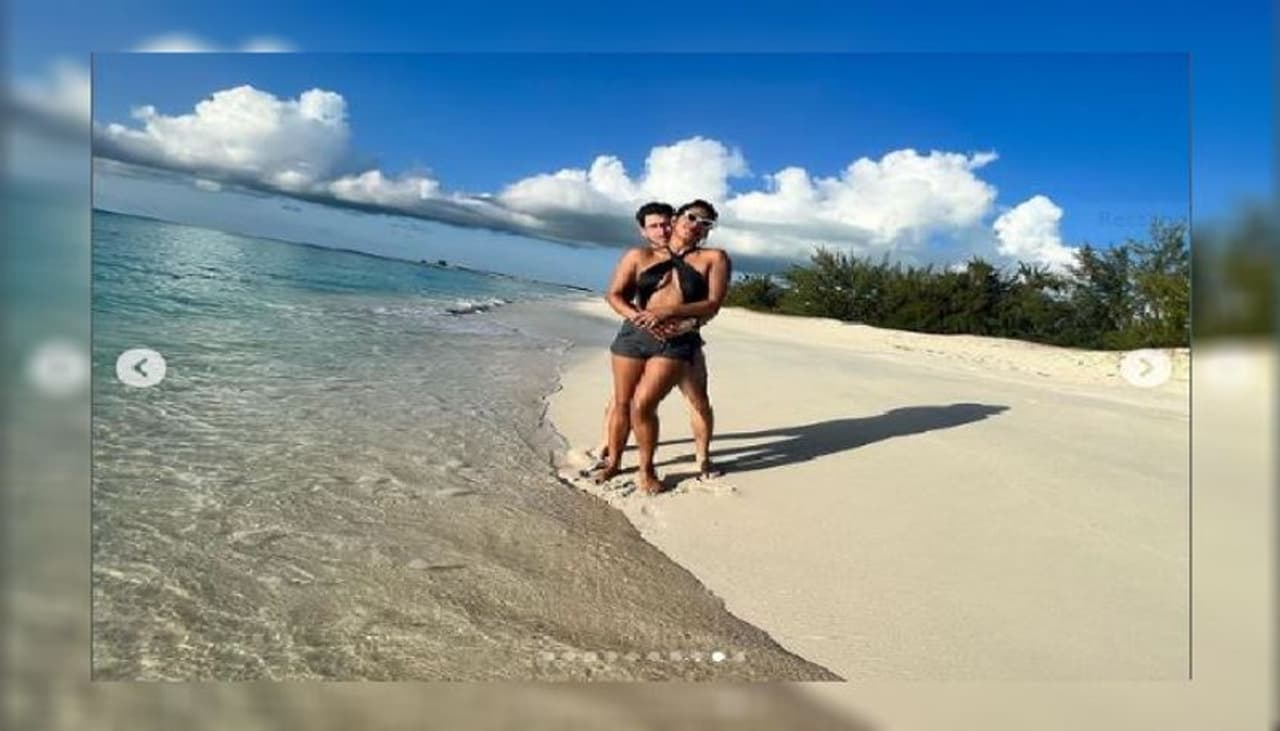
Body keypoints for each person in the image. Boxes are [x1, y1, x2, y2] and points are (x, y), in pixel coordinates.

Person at [591, 199, 731, 494]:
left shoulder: (714, 258)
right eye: (691, 217)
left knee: (644, 404)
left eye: (705, 223)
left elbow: (712, 303)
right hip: (634, 335)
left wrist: (670, 313)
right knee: (621, 402)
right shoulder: (639, 255)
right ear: (677, 218)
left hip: (676, 339)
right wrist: (638, 317)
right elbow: (614, 295)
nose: (696, 225)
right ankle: (613, 462)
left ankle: (648, 468)